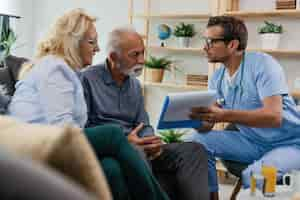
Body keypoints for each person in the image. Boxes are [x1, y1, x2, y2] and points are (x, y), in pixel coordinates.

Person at [7, 8, 169, 200]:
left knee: (111, 168)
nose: (98, 49)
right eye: (92, 42)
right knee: (113, 134)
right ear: (73, 43)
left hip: (50, 143)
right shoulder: (54, 68)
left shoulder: (68, 72)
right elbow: (64, 130)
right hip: (36, 147)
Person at [80, 26, 209, 200]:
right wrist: (127, 142)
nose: (142, 60)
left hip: (141, 146)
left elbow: (143, 123)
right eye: (134, 55)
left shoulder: (134, 85)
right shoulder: (87, 79)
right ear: (113, 57)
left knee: (194, 150)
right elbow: (83, 128)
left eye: (143, 53)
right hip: (116, 148)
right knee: (137, 152)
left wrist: (152, 141)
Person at [181, 15, 300, 200]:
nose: (205, 47)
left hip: (291, 144)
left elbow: (273, 116)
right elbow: (208, 125)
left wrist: (224, 115)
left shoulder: (263, 64)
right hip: (252, 143)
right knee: (195, 141)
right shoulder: (218, 77)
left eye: (211, 42)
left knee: (255, 177)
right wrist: (197, 119)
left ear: (232, 45)